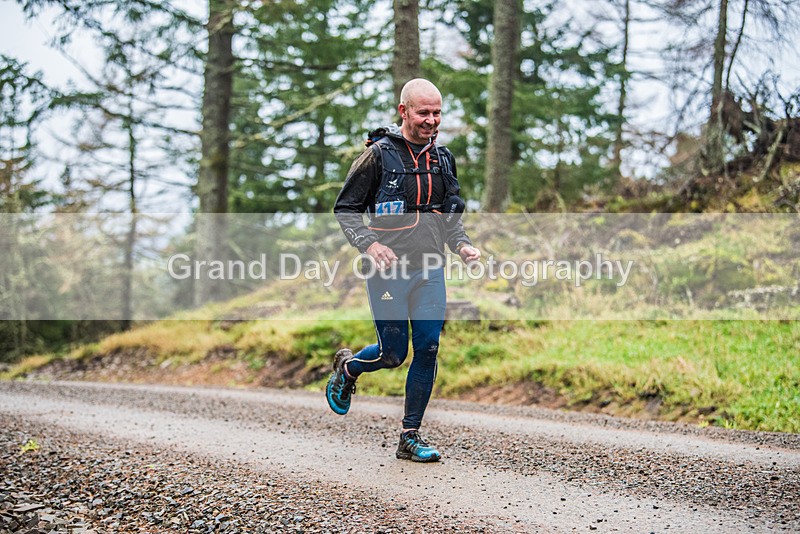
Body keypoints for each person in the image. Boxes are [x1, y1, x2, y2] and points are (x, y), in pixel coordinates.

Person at [328, 78, 480, 462]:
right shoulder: (378, 155)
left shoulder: (443, 159)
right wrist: (369, 243)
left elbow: (449, 213)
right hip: (387, 273)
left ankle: (409, 436)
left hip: (430, 269)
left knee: (428, 347)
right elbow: (346, 209)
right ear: (404, 112)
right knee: (393, 354)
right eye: (423, 112)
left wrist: (461, 245)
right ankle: (348, 369)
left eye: (437, 113)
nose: (431, 120)